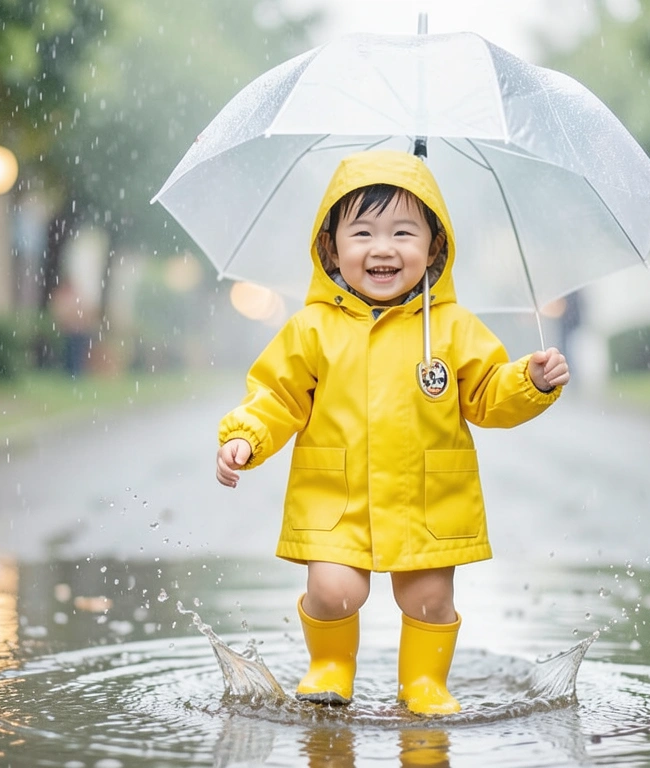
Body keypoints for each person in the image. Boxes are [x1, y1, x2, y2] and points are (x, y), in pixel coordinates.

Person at [214, 150, 569, 715]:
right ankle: (330, 665)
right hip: (337, 495)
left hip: (426, 496)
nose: (383, 248)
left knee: (429, 598)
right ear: (332, 247)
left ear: (434, 248)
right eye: (363, 233)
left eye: (404, 232)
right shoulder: (312, 328)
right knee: (335, 590)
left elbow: (486, 396)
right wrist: (246, 437)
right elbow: (276, 396)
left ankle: (424, 682)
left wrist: (530, 381)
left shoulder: (451, 327)